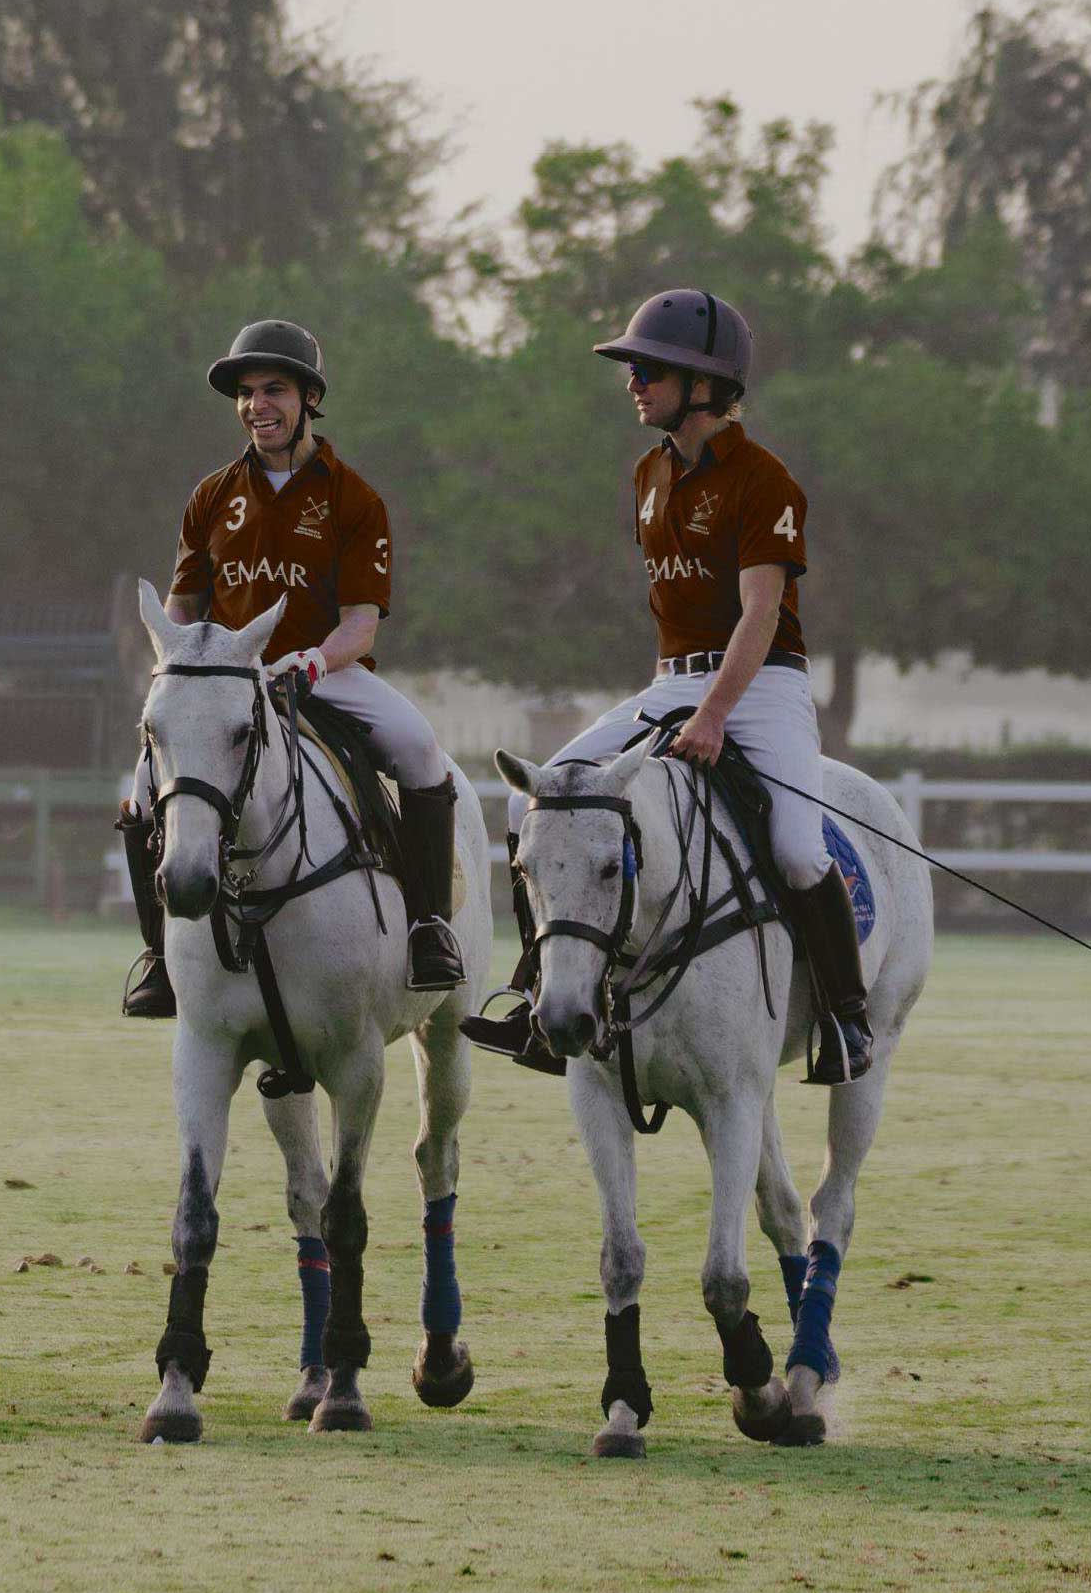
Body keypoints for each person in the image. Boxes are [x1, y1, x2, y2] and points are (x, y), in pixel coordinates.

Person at [460, 289, 872, 1083]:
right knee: (528, 803)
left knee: (794, 848)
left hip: (762, 687)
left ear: (705, 384)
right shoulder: (648, 472)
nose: (633, 383)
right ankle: (541, 1000)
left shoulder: (764, 479)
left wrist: (716, 712)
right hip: (667, 686)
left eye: (649, 369)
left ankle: (845, 1020)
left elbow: (762, 612)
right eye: (633, 370)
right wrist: (684, 699)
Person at [120, 319, 468, 1018]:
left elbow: (361, 623)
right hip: (225, 682)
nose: (257, 406)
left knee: (421, 751)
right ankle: (160, 955)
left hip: (325, 672)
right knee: (137, 795)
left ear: (309, 397)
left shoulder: (353, 497)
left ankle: (430, 928)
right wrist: (182, 668)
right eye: (246, 393)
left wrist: (314, 659)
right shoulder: (213, 495)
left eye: (273, 389)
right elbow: (184, 606)